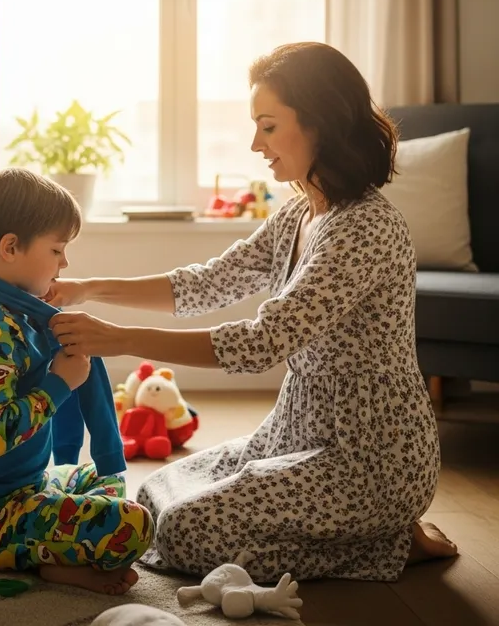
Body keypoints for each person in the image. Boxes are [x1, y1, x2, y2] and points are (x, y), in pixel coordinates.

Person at [47, 42, 457, 583]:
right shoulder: (298, 214)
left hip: (368, 460)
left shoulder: (365, 230)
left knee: (184, 533)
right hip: (294, 432)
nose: (254, 144)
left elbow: (261, 342)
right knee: (152, 498)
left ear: (321, 124)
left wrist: (117, 338)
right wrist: (87, 288)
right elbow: (208, 283)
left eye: (267, 126)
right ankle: (376, 534)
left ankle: (387, 540)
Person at [0, 168, 153, 595]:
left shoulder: (9, 311)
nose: (64, 262)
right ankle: (51, 562)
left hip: (25, 488)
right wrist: (60, 383)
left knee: (103, 480)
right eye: (56, 249)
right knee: (134, 523)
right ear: (10, 247)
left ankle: (51, 558)